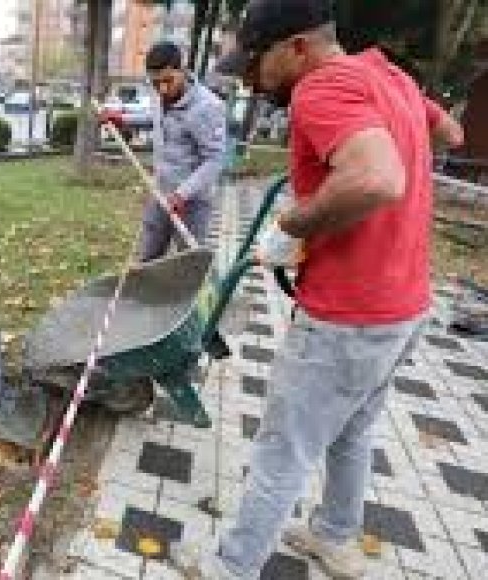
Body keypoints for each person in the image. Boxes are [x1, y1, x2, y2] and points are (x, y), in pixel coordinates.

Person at [171, 1, 465, 578]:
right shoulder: (389, 76)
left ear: (297, 47)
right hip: (404, 306)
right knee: (352, 428)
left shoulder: (321, 88)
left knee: (285, 447)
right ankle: (334, 536)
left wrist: (292, 227)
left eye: (256, 65)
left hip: (349, 315)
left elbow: (377, 178)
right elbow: (450, 133)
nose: (252, 82)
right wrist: (390, 151)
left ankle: (231, 567)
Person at [141, 41, 228, 262]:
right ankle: (143, 296)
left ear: (183, 70)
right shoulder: (160, 94)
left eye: (168, 81)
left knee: (187, 264)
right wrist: (121, 118)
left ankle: (184, 297)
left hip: (193, 202)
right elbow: (157, 120)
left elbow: (215, 159)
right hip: (160, 193)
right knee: (147, 257)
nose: (162, 89)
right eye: (155, 83)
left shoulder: (207, 107)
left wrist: (182, 194)